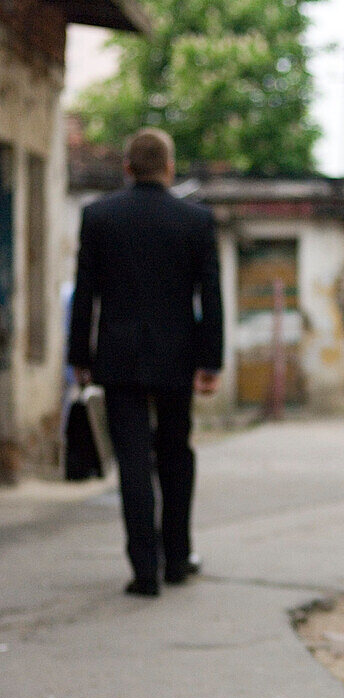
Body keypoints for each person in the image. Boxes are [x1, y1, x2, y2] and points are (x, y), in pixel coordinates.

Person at [69, 128, 223, 596]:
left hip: (117, 358)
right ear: (170, 168)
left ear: (127, 168)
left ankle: (145, 570)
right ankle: (177, 558)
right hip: (178, 357)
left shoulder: (99, 217)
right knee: (176, 454)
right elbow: (210, 296)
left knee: (133, 461)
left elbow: (85, 294)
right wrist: (210, 361)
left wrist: (79, 356)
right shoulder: (196, 221)